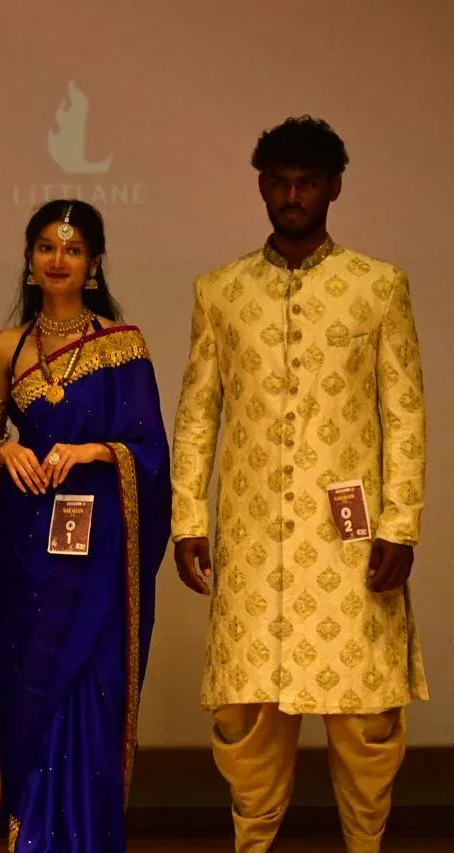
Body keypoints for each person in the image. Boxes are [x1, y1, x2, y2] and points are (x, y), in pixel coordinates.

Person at [171, 116, 427, 853]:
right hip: (253, 540)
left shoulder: (378, 287)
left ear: (334, 187)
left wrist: (401, 524)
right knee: (246, 713)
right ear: (261, 186)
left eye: (307, 182)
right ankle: (252, 843)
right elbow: (198, 413)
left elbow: (405, 414)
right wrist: (188, 518)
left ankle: (365, 844)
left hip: (352, 545)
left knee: (365, 715)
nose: (292, 196)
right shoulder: (221, 291)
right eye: (280, 182)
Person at [0, 200, 170, 852]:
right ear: (29, 259)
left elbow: (150, 452)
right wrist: (2, 453)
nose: (58, 260)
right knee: (31, 682)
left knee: (88, 683)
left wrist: (93, 451)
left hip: (97, 554)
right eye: (46, 247)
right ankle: (30, 834)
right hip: (30, 543)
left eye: (73, 248)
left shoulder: (123, 344)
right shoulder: (5, 347)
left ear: (94, 264)